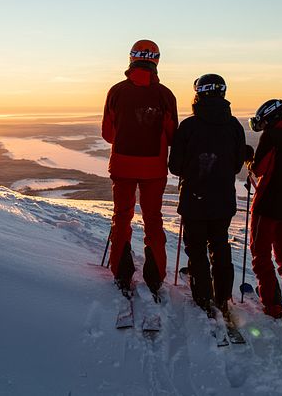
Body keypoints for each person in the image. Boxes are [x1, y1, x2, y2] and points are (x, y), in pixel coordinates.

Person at [101, 39, 178, 299]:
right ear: (156, 60)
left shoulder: (116, 91)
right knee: (153, 219)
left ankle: (121, 273)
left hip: (122, 164)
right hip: (154, 170)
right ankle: (155, 277)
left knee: (122, 217)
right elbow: (172, 134)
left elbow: (108, 134)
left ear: (131, 59)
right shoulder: (166, 95)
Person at [168, 74, 246, 316]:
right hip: (223, 199)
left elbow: (175, 167)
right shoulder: (234, 126)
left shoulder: (189, 126)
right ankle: (222, 297)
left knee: (197, 249)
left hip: (194, 198)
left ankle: (203, 298)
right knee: (220, 244)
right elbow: (236, 165)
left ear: (198, 93)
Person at [244, 99, 282, 325]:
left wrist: (249, 161)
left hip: (267, 206)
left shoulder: (270, 137)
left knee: (261, 255)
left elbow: (259, 168)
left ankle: (272, 306)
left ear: (270, 118)